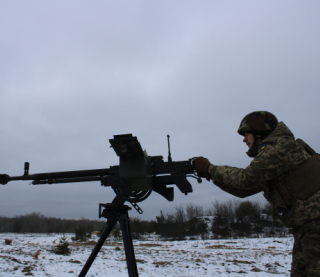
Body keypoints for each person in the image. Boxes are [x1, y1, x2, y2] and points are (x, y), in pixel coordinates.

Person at [194, 111, 320, 277]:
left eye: (247, 134)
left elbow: (246, 179)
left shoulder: (279, 149)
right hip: (306, 226)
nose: (244, 139)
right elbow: (244, 190)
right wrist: (211, 176)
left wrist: (210, 168)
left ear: (260, 132)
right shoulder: (274, 156)